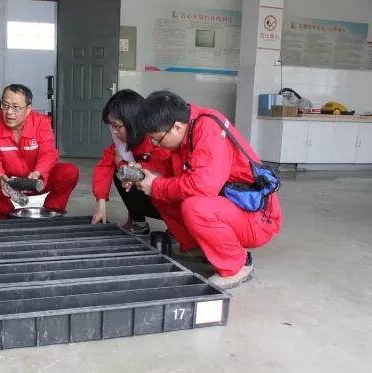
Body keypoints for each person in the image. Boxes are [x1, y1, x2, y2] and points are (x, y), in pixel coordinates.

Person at [130, 90, 282, 289]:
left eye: (156, 139)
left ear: (176, 127)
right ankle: (197, 247)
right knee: (160, 191)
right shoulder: (187, 130)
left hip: (258, 219)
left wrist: (157, 184)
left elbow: (202, 186)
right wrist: (145, 172)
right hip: (231, 207)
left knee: (194, 207)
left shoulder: (207, 128)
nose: (154, 144)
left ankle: (237, 264)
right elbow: (169, 171)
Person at [0, 84, 79, 219]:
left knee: (69, 172)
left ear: (28, 109)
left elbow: (48, 154)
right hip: (8, 184)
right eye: (5, 105)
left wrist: (38, 172)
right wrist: (1, 176)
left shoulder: (41, 123)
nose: (9, 112)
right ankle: (7, 214)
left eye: (15, 107)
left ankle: (51, 211)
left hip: (37, 181)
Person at [91, 89, 169, 234]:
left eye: (117, 126)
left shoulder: (158, 139)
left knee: (126, 170)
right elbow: (103, 167)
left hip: (168, 200)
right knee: (121, 172)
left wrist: (129, 166)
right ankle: (138, 222)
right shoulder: (120, 144)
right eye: (111, 125)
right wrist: (100, 202)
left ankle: (176, 226)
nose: (114, 131)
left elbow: (164, 168)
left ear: (133, 122)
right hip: (149, 197)